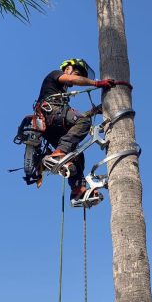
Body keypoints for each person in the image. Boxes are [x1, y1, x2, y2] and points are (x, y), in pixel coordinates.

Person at [37, 58, 114, 203]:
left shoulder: (61, 94)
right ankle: (59, 153)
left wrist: (93, 111)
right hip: (50, 114)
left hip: (52, 125)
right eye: (77, 73)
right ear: (67, 69)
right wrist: (96, 83)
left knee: (77, 155)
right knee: (83, 122)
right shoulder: (56, 74)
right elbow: (73, 80)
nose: (76, 78)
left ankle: (78, 190)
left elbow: (70, 118)